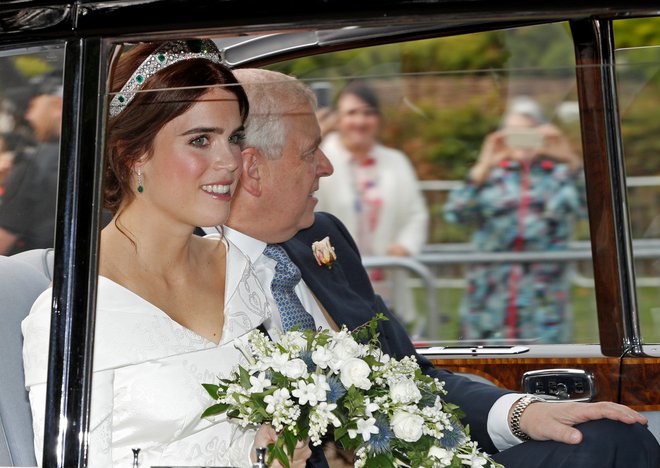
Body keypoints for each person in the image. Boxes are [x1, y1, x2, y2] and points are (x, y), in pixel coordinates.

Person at [222, 68, 659, 468]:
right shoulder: (189, 274)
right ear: (254, 168)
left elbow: (412, 376)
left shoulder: (322, 237)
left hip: (419, 455)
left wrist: (525, 412)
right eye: (310, 151)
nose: (327, 166)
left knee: (618, 439)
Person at [22, 41, 310, 468]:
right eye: (200, 140)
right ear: (133, 154)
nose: (230, 161)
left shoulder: (240, 268)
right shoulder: (72, 314)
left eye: (234, 138)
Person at [444, 96, 586, 344]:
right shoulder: (491, 175)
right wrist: (483, 164)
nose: (522, 139)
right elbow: (455, 213)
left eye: (529, 132)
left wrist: (572, 160)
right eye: (514, 132)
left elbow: (598, 211)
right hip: (489, 300)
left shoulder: (561, 176)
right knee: (484, 373)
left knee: (547, 373)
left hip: (543, 302)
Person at [315, 81, 429, 326]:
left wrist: (404, 246)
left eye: (368, 113)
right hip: (337, 281)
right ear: (338, 118)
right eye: (351, 113)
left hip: (387, 280)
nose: (360, 121)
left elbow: (416, 214)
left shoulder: (396, 161)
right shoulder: (320, 159)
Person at [0, 78, 61, 255]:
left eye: (32, 107)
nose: (28, 116)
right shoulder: (96, 155)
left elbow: (2, 240)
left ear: (57, 105)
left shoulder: (34, 163)